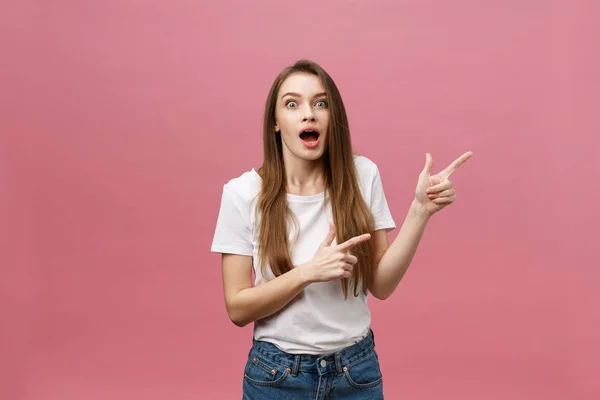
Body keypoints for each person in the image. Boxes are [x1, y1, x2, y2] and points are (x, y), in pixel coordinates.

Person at [211, 59, 473, 399]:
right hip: (277, 377)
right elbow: (237, 308)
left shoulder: (362, 176)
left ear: (332, 118)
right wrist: (308, 272)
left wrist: (420, 211)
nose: (309, 114)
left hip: (355, 372)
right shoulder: (242, 193)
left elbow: (381, 284)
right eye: (293, 104)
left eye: (320, 103)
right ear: (275, 122)